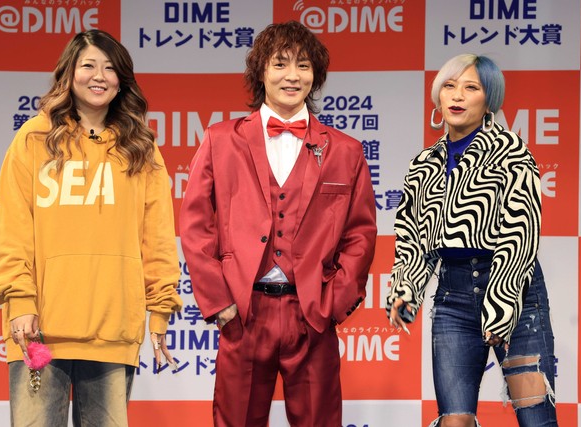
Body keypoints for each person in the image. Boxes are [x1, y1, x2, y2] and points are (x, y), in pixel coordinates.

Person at [179, 20, 377, 427]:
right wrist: (220, 302)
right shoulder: (220, 139)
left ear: (315, 75)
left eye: (303, 65)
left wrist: (332, 304)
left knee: (320, 421)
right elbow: (195, 225)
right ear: (261, 72)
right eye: (280, 64)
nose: (292, 76)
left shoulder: (345, 150)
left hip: (311, 313)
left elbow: (361, 233)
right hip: (244, 311)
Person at [0, 29, 183, 426]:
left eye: (110, 68)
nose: (99, 76)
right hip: (39, 329)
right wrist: (20, 301)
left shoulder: (140, 147)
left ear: (121, 80)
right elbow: (12, 229)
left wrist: (161, 308)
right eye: (88, 65)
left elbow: (158, 237)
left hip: (112, 329)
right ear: (69, 73)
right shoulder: (34, 138)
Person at [386, 53, 557, 427]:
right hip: (453, 299)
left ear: (489, 99)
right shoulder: (424, 163)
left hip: (517, 297)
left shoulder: (511, 152)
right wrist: (406, 289)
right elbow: (413, 236)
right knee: (454, 420)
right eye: (449, 86)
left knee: (536, 418)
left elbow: (521, 233)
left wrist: (502, 303)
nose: (457, 96)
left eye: (471, 87)